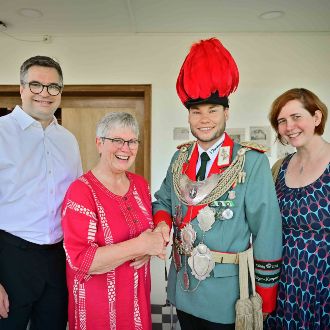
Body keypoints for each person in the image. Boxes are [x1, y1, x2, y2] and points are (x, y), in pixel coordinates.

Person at [152, 37, 283, 329]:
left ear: (226, 112)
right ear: (188, 115)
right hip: (183, 287)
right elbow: (162, 200)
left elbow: (267, 231)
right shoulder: (180, 160)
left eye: (212, 110)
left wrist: (265, 295)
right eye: (196, 111)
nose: (204, 119)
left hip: (225, 295)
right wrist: (162, 223)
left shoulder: (250, 162)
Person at [61, 112, 166, 330]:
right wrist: (140, 245)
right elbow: (81, 260)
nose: (125, 148)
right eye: (117, 140)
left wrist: (151, 243)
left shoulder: (140, 185)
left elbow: (147, 230)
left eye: (132, 141)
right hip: (96, 309)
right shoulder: (81, 191)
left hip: (137, 305)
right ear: (99, 143)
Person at [0, 56, 82, 329]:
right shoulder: (2, 132)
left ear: (60, 92)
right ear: (21, 88)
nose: (44, 94)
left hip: (57, 259)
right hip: (9, 257)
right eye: (36, 85)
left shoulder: (68, 140)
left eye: (53, 87)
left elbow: (77, 200)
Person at [265, 88, 330, 329]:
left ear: (316, 117)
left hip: (323, 284)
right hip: (284, 282)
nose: (289, 126)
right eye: (282, 121)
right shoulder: (279, 168)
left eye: (296, 117)